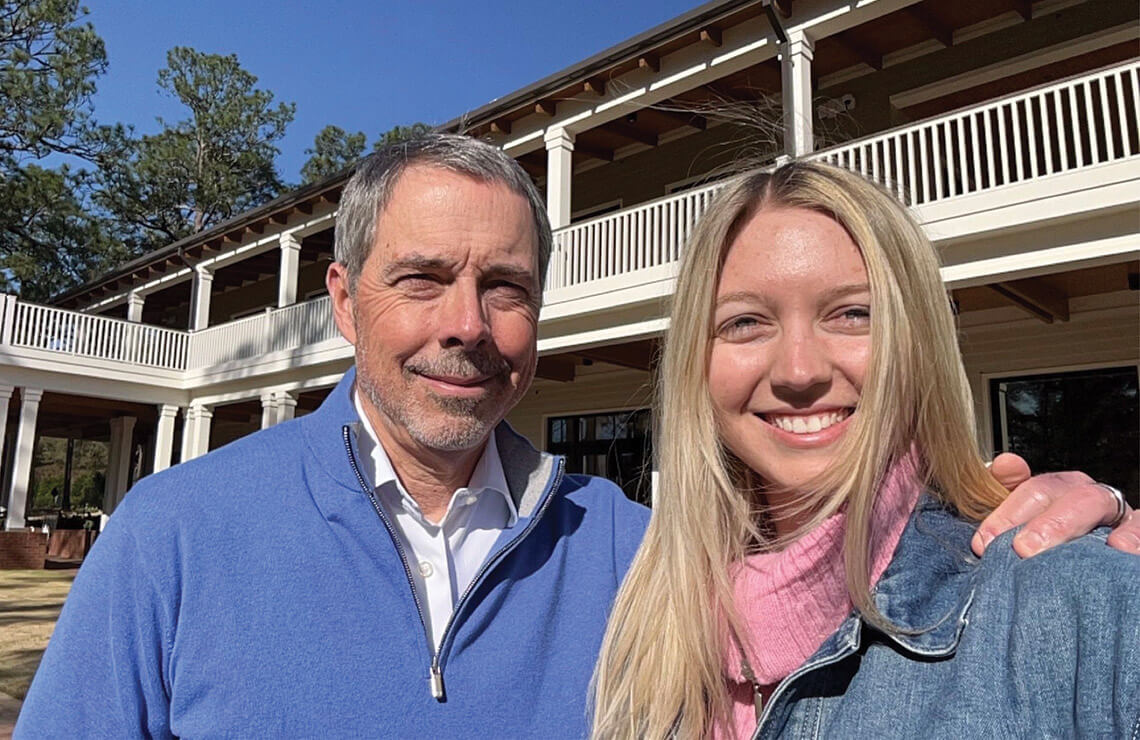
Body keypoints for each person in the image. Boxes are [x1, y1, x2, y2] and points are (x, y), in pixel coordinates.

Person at [16, 136, 1136, 738]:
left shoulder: (635, 556)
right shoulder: (169, 536)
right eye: (423, 280)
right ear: (346, 301)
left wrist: (1082, 527)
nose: (466, 323)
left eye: (505, 285)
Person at [590, 161, 1139, 739]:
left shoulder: (1074, 606)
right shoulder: (642, 615)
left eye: (852, 314)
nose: (799, 371)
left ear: (917, 342)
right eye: (746, 322)